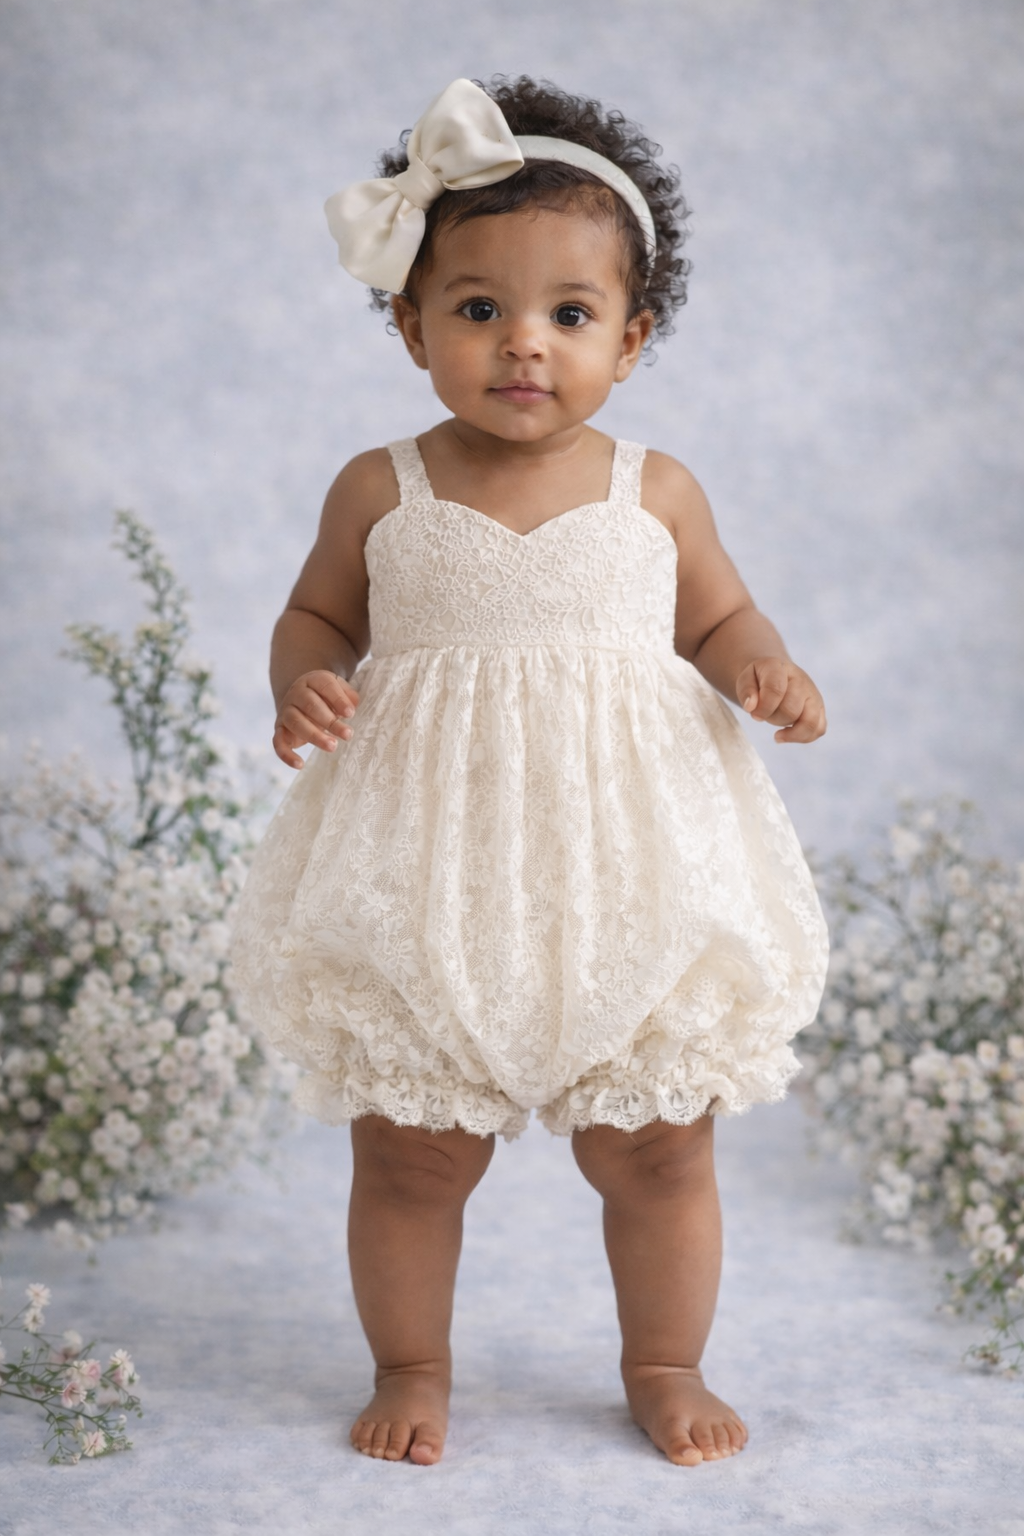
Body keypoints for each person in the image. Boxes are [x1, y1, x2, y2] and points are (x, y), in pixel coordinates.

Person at [231, 74, 829, 1470]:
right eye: (478, 307)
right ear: (411, 325)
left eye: (569, 314)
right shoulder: (380, 488)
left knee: (660, 1147)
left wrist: (763, 666)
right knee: (410, 1151)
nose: (523, 343)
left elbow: (720, 618)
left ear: (631, 338)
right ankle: (413, 1362)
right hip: (429, 865)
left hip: (632, 869)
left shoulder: (655, 491)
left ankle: (666, 1362)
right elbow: (314, 614)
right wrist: (302, 678)